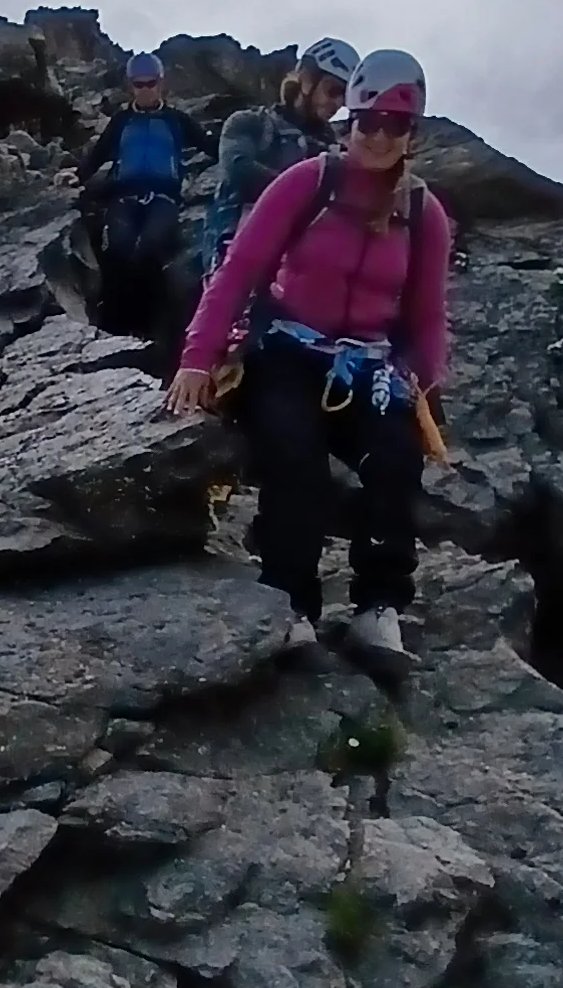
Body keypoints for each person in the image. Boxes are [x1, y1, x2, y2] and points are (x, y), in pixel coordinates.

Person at [165, 48, 450, 674]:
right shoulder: (305, 183)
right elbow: (238, 272)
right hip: (286, 351)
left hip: (370, 367)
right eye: (366, 120)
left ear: (412, 132)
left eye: (394, 125)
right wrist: (197, 359)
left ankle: (379, 606)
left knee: (395, 460)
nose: (377, 136)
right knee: (294, 453)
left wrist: (425, 385)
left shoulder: (423, 213)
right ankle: (293, 603)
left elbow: (427, 313)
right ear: (349, 120)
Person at [67, 52, 213, 334]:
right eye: (139, 84)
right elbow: (97, 155)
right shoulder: (121, 121)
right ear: (130, 86)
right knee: (118, 249)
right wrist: (76, 176)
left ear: (161, 83)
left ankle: (149, 326)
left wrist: (239, 156)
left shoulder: (176, 120)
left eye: (151, 83)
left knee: (150, 248)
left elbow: (211, 146)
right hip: (123, 196)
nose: (145, 89)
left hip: (164, 198)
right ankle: (115, 326)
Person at [202, 36, 359, 277]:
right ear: (307, 79)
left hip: (302, 270)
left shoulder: (335, 151)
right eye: (333, 90)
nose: (338, 103)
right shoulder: (249, 122)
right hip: (241, 257)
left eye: (345, 97)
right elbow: (239, 170)